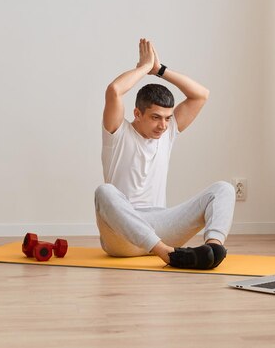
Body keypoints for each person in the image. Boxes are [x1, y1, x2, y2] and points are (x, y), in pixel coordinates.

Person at [94, 38, 235, 270]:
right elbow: (114, 90)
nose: (163, 125)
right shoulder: (117, 133)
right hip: (122, 237)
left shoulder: (168, 132)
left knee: (223, 189)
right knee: (104, 192)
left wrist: (159, 70)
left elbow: (201, 95)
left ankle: (213, 249)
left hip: (161, 227)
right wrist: (143, 68)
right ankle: (168, 255)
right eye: (156, 117)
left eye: (168, 118)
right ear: (137, 113)